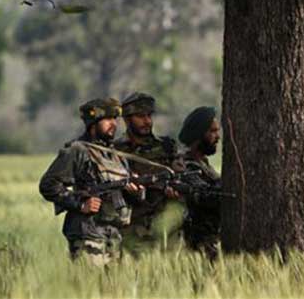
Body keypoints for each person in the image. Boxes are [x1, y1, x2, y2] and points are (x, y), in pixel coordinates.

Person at [39, 98, 142, 265]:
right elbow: (48, 185)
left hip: (114, 236)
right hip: (88, 235)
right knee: (89, 287)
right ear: (93, 123)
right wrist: (81, 204)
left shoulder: (115, 155)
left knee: (116, 290)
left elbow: (128, 195)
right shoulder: (78, 150)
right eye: (108, 119)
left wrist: (136, 192)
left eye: (115, 119)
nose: (114, 124)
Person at [114, 92, 184, 253]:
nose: (147, 121)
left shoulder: (167, 146)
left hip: (168, 228)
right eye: (140, 116)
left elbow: (181, 173)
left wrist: (176, 189)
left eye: (149, 115)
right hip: (133, 231)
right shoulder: (116, 151)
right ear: (127, 119)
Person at [178, 106, 222, 260]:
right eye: (213, 131)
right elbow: (204, 196)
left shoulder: (203, 163)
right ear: (198, 135)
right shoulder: (184, 164)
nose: (218, 137)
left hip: (212, 242)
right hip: (198, 246)